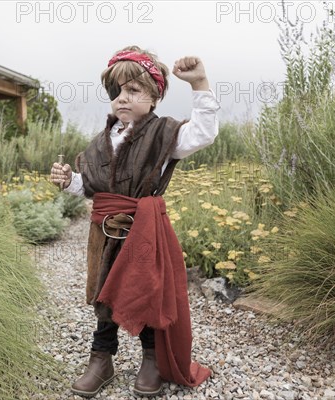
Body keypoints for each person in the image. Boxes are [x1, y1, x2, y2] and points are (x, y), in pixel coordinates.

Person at [50, 45, 220, 398]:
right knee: (103, 292)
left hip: (142, 231)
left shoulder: (163, 135)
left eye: (133, 90)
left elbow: (203, 133)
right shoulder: (100, 143)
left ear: (154, 97)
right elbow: (92, 186)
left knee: (144, 290)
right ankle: (101, 358)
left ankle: (152, 358)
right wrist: (70, 181)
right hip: (103, 232)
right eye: (117, 91)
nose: (122, 98)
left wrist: (200, 83)